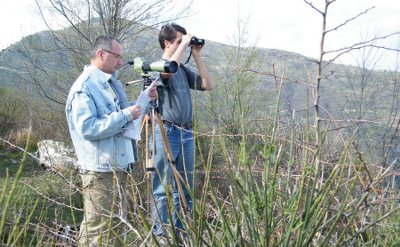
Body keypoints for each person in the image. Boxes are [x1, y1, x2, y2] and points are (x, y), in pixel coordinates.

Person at [65, 35, 157, 246]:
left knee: (116, 227)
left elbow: (117, 116)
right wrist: (126, 115)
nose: (120, 61)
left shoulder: (110, 84)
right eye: (117, 56)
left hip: (118, 166)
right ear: (101, 54)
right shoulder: (85, 87)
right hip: (100, 171)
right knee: (98, 230)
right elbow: (87, 127)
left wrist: (144, 102)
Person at [151, 23, 213, 237]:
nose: (184, 45)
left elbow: (207, 84)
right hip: (167, 132)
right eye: (179, 41)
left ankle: (182, 233)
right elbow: (168, 71)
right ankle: (160, 235)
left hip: (186, 133)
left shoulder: (183, 70)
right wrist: (183, 45)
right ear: (167, 43)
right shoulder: (158, 67)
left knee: (184, 186)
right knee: (163, 187)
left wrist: (196, 55)